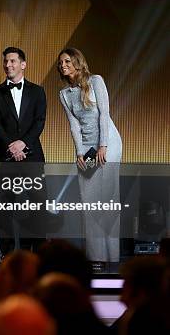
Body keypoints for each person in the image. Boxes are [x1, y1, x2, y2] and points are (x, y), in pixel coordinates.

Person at [57, 47, 122, 268]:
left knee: (108, 199)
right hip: (86, 146)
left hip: (109, 142)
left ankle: (112, 255)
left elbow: (105, 113)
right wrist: (79, 152)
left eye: (66, 61)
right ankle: (97, 256)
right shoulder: (64, 94)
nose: (62, 65)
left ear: (77, 61)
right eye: (60, 63)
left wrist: (103, 145)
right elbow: (74, 125)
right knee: (90, 201)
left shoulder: (96, 81)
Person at [0, 47, 48, 257]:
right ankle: (7, 254)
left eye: (12, 61)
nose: (8, 65)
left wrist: (23, 143)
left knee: (37, 206)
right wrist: (12, 147)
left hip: (32, 156)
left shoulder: (38, 91)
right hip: (5, 157)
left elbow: (39, 121)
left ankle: (37, 253)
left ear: (23, 64)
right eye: (5, 61)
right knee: (5, 207)